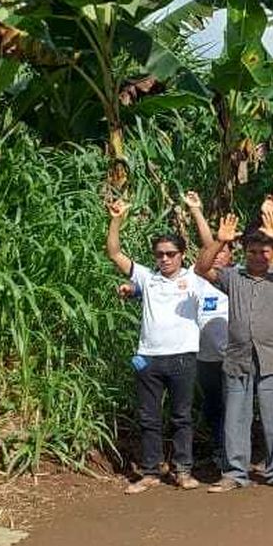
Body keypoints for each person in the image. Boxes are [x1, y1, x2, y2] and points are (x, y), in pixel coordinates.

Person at [193, 199, 273, 492]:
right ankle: (234, 473)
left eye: (264, 251)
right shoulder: (233, 277)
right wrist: (220, 242)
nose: (258, 256)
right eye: (253, 252)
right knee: (235, 416)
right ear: (244, 253)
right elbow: (201, 268)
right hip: (238, 358)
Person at [106, 198, 211, 494]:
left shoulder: (194, 278)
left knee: (181, 417)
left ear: (182, 255)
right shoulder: (146, 277)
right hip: (148, 358)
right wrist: (117, 218)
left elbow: (209, 248)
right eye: (159, 254)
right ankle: (150, 472)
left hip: (182, 358)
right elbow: (114, 253)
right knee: (149, 418)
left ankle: (183, 470)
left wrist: (195, 211)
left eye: (170, 254)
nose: (164, 259)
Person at [179, 191, 231, 475]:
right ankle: (218, 450)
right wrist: (197, 211)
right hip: (204, 358)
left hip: (232, 357)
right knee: (213, 408)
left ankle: (229, 456)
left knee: (232, 407)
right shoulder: (196, 278)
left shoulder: (237, 277)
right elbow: (208, 247)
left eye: (225, 252)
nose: (219, 256)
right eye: (215, 253)